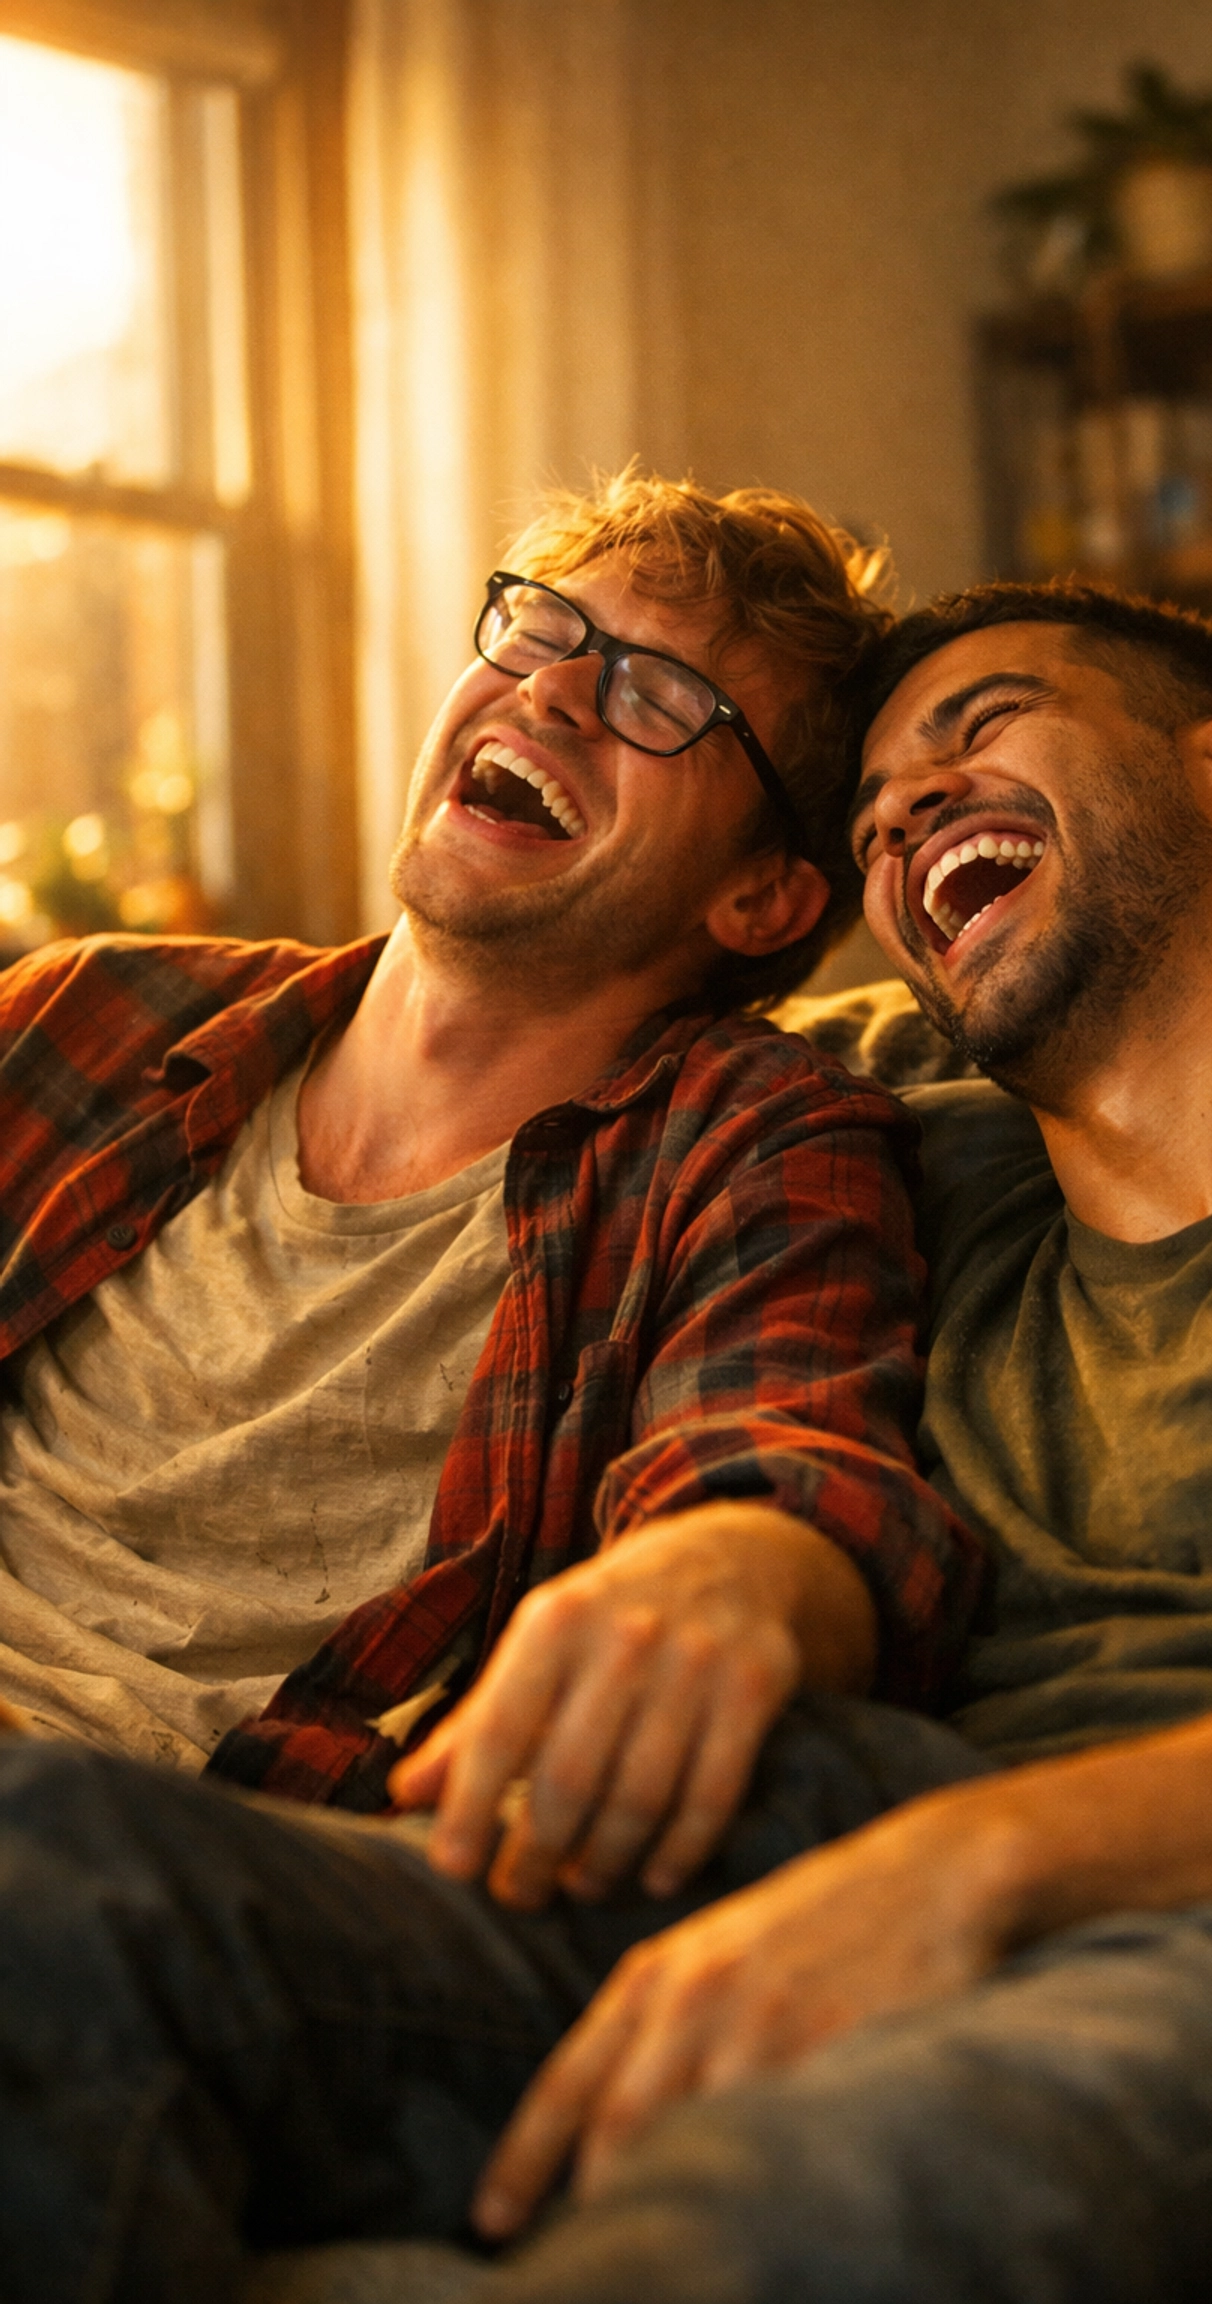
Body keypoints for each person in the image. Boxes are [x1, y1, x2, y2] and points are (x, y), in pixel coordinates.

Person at [450, 582, 1212, 2303]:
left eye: (979, 731)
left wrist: (978, 1870)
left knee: (777, 2223)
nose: (904, 816)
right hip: (848, 1840)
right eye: (873, 814)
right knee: (68, 1880)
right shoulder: (888, 1169)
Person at [0, 470, 995, 2298]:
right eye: (543, 627)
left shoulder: (745, 1139)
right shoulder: (88, 1021)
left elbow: (794, 1464)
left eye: (656, 698)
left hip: (166, 1861)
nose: (549, 692)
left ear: (769, 891)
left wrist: (742, 1571)